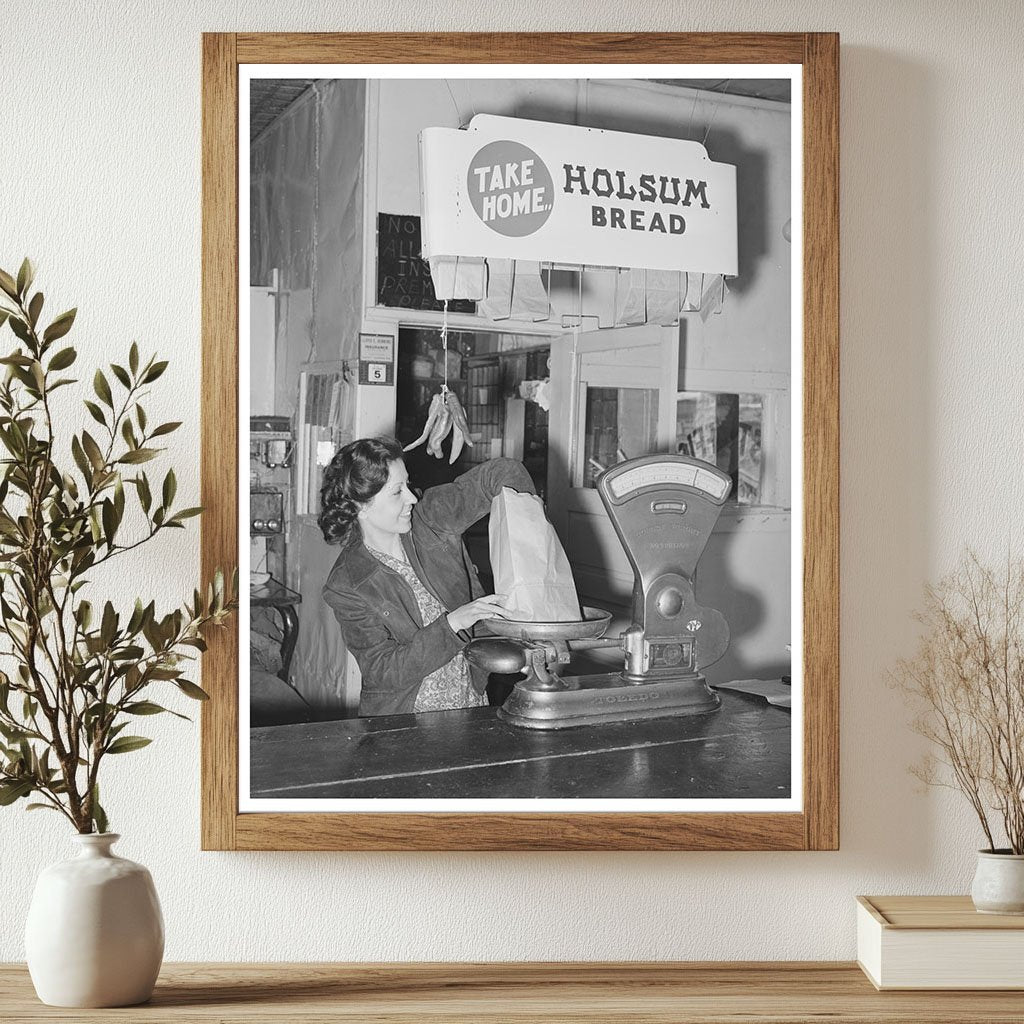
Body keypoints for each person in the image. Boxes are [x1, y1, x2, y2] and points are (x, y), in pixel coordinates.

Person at [319, 437, 535, 716]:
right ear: (362, 506)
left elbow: (501, 474)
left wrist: (530, 537)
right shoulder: (347, 583)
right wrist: (453, 623)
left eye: (407, 485)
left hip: (469, 702)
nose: (412, 498)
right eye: (397, 492)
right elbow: (382, 671)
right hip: (404, 723)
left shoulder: (430, 517)